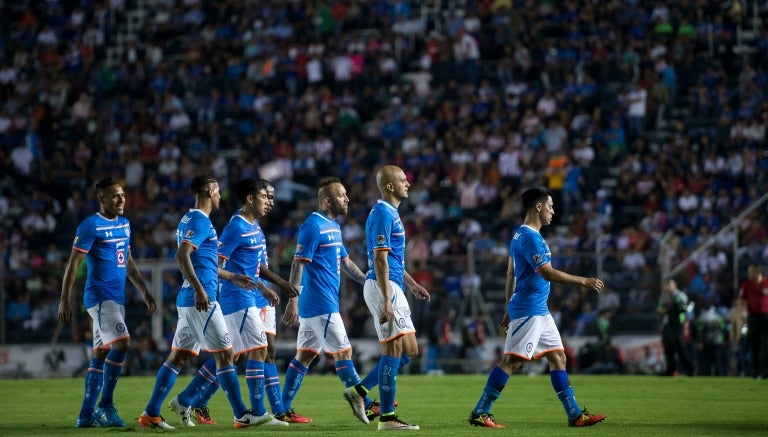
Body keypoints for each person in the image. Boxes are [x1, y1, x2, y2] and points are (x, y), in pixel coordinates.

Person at [137, 175, 273, 430]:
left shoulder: (188, 219)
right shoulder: (200, 221)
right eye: (218, 191)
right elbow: (182, 255)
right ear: (210, 191)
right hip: (202, 300)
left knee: (178, 358)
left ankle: (152, 413)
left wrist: (232, 275)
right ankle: (243, 415)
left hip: (188, 299)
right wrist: (201, 289)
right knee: (226, 354)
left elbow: (206, 263)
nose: (220, 196)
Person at [468, 186, 606, 428]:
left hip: (539, 310)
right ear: (538, 207)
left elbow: (511, 274)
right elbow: (547, 272)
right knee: (512, 362)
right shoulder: (530, 238)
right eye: (550, 206)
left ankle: (575, 415)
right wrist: (583, 280)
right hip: (529, 309)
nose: (553, 211)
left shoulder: (519, 235)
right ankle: (480, 412)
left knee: (558, 357)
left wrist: (507, 306)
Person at [166, 178, 295, 427]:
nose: (270, 202)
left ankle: (187, 398)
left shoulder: (254, 226)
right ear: (250, 198)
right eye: (265, 197)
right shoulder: (235, 227)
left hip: (248, 295)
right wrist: (228, 282)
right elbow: (218, 264)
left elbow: (255, 268)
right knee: (259, 349)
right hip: (236, 298)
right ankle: (257, 412)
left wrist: (265, 287)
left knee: (231, 356)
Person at [58, 177, 157, 428]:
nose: (121, 199)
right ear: (101, 199)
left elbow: (128, 261)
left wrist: (144, 291)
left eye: (122, 195)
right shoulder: (90, 226)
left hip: (117, 299)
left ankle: (85, 415)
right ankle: (106, 406)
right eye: (115, 196)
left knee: (100, 354)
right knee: (123, 344)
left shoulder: (124, 224)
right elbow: (73, 264)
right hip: (99, 298)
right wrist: (64, 300)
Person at [280, 177, 373, 425]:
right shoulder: (312, 226)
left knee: (305, 356)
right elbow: (298, 263)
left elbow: (346, 263)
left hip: (324, 302)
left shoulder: (333, 226)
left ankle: (282, 409)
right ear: (327, 200)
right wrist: (292, 300)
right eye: (342, 195)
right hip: (319, 303)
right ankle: (366, 402)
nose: (348, 199)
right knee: (344, 351)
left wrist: (368, 282)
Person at [363, 165, 431, 431]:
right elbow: (380, 259)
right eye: (403, 180)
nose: (408, 184)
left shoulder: (390, 213)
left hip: (393, 284)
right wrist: (388, 298)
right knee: (392, 349)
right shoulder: (382, 213)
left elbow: (392, 260)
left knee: (410, 349)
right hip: (383, 286)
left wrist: (411, 283)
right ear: (390, 186)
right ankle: (387, 417)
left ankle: (360, 391)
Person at [734, 264, 768, 378]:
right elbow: (741, 301)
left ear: (758, 272)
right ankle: (756, 371)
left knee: (765, 344)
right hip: (753, 318)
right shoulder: (747, 285)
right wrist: (741, 316)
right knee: (754, 345)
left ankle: (764, 371)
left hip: (766, 318)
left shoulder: (766, 283)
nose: (748, 274)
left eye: (750, 272)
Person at [658, 278, 695, 377]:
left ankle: (689, 369)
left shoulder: (680, 296)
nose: (668, 287)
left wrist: (669, 309)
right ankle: (670, 369)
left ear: (675, 285)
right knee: (667, 347)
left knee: (680, 347)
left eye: (669, 284)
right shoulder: (664, 296)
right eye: (666, 285)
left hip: (677, 323)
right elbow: (659, 308)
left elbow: (684, 309)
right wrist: (664, 310)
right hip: (667, 323)